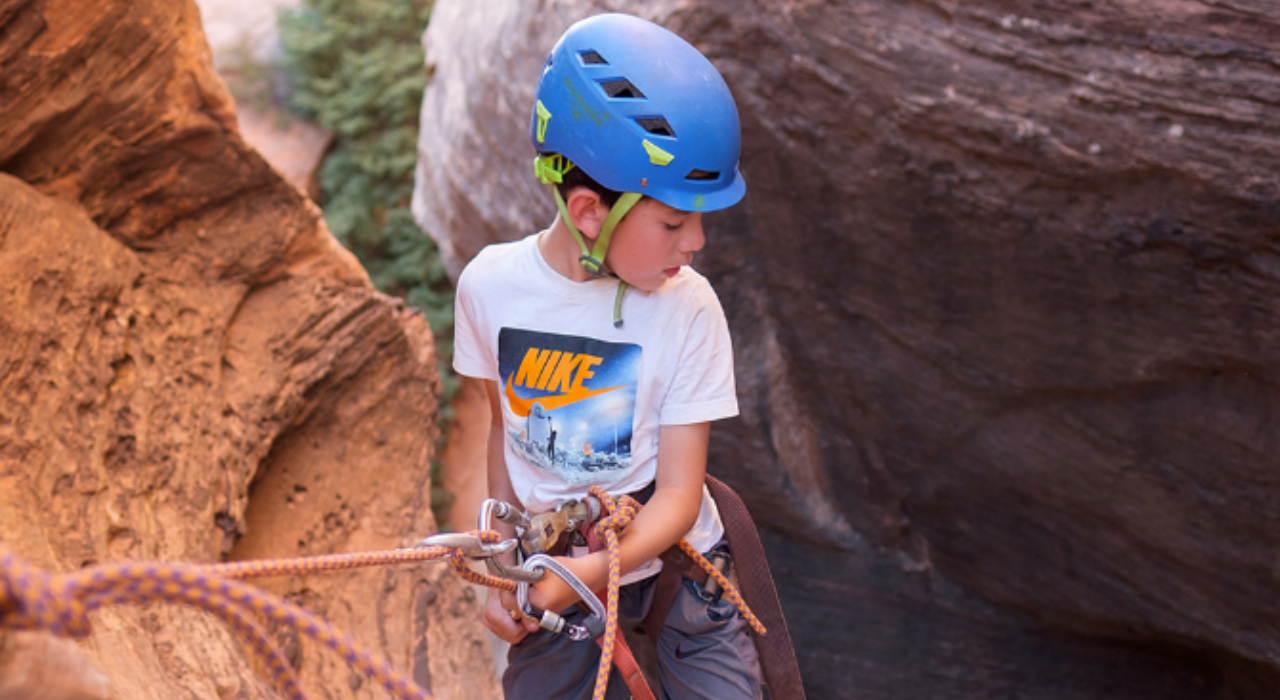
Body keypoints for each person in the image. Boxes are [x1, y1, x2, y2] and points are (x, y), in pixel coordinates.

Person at [451, 12, 761, 700]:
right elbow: (505, 431)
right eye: (675, 222)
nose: (696, 243)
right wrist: (509, 567)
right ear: (591, 212)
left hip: (674, 556)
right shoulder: (490, 287)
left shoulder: (688, 306)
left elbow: (679, 497)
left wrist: (583, 579)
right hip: (556, 558)